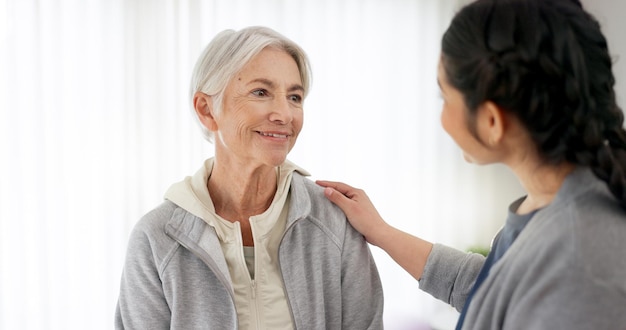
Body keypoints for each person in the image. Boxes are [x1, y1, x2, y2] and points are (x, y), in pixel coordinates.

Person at [317, 0, 626, 329]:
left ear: (492, 121)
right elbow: (491, 288)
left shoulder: (583, 264)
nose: (441, 117)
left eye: (445, 97)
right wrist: (381, 232)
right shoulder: (549, 206)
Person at [115, 26, 384, 330]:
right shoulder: (156, 238)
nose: (285, 114)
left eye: (294, 97)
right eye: (261, 92)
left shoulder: (334, 221)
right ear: (207, 110)